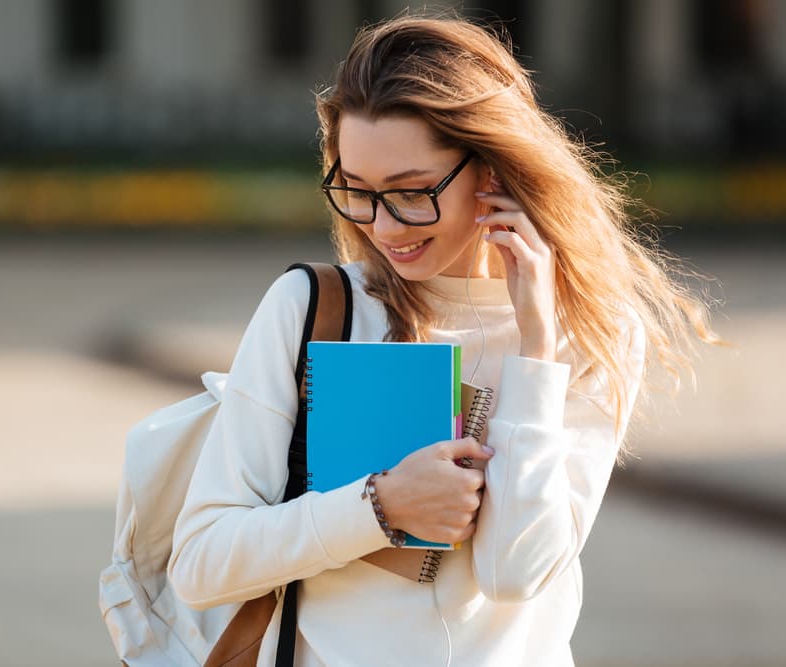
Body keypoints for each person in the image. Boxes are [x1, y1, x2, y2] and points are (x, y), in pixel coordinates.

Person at [167, 12, 718, 667]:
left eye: (410, 192)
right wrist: (379, 503)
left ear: (489, 169)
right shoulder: (312, 309)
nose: (382, 224)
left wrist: (535, 355)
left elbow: (516, 571)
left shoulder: (588, 331)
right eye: (356, 191)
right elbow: (200, 561)